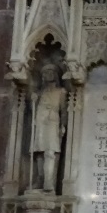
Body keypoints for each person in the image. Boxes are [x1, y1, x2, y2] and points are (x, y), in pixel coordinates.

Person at [31, 63, 66, 192]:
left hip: (52, 121)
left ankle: (48, 181)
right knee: (39, 151)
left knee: (50, 151)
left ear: (55, 75)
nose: (47, 75)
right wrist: (33, 101)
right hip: (40, 120)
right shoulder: (40, 93)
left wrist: (63, 125)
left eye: (51, 72)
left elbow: (64, 110)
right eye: (45, 73)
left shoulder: (61, 92)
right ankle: (40, 179)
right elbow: (33, 109)